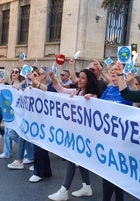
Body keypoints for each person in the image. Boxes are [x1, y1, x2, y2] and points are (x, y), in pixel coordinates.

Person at [48, 68, 99, 201]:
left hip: (85, 135)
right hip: (75, 133)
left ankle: (64, 190)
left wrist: (90, 100)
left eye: (83, 78)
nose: (79, 80)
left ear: (88, 80)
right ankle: (87, 186)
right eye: (79, 77)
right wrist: (53, 78)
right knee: (79, 161)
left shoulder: (92, 95)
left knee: (72, 158)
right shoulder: (76, 91)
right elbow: (61, 90)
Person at [100, 67, 133, 201]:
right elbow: (98, 106)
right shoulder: (108, 90)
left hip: (121, 138)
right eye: (112, 73)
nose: (113, 75)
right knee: (107, 172)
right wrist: (88, 99)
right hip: (107, 137)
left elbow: (134, 108)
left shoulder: (127, 92)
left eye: (116, 73)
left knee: (117, 172)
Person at [26, 66, 57, 183]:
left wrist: (34, 81)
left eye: (37, 73)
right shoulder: (34, 86)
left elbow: (50, 91)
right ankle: (46, 171)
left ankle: (38, 172)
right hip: (37, 120)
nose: (35, 75)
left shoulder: (50, 87)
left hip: (46, 121)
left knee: (40, 146)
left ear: (44, 76)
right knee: (39, 146)